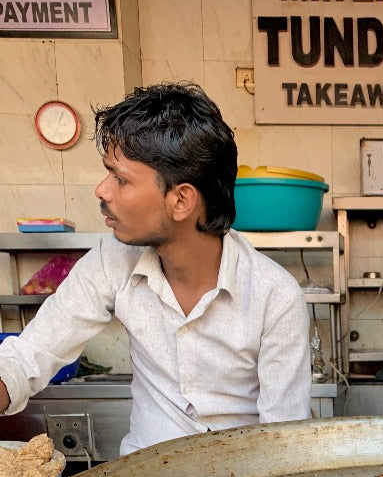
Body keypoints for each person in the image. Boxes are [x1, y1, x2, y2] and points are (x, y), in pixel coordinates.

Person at [0, 82, 312, 455]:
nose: (102, 190)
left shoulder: (274, 296)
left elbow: (285, 441)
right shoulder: (112, 259)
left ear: (181, 200)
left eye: (121, 179)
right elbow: (30, 355)